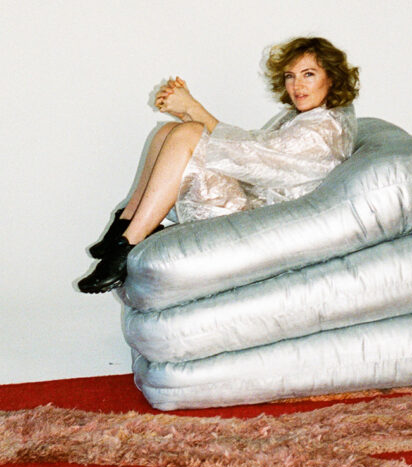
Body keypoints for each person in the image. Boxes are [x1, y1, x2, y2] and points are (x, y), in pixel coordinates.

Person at [78, 36, 360, 294]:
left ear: (332, 78)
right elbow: (253, 146)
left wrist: (195, 111)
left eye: (308, 74)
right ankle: (126, 222)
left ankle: (127, 247)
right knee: (169, 132)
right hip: (255, 196)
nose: (297, 86)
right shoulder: (310, 116)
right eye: (290, 76)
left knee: (187, 134)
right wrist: (190, 115)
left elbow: (253, 157)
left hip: (261, 220)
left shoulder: (325, 130)